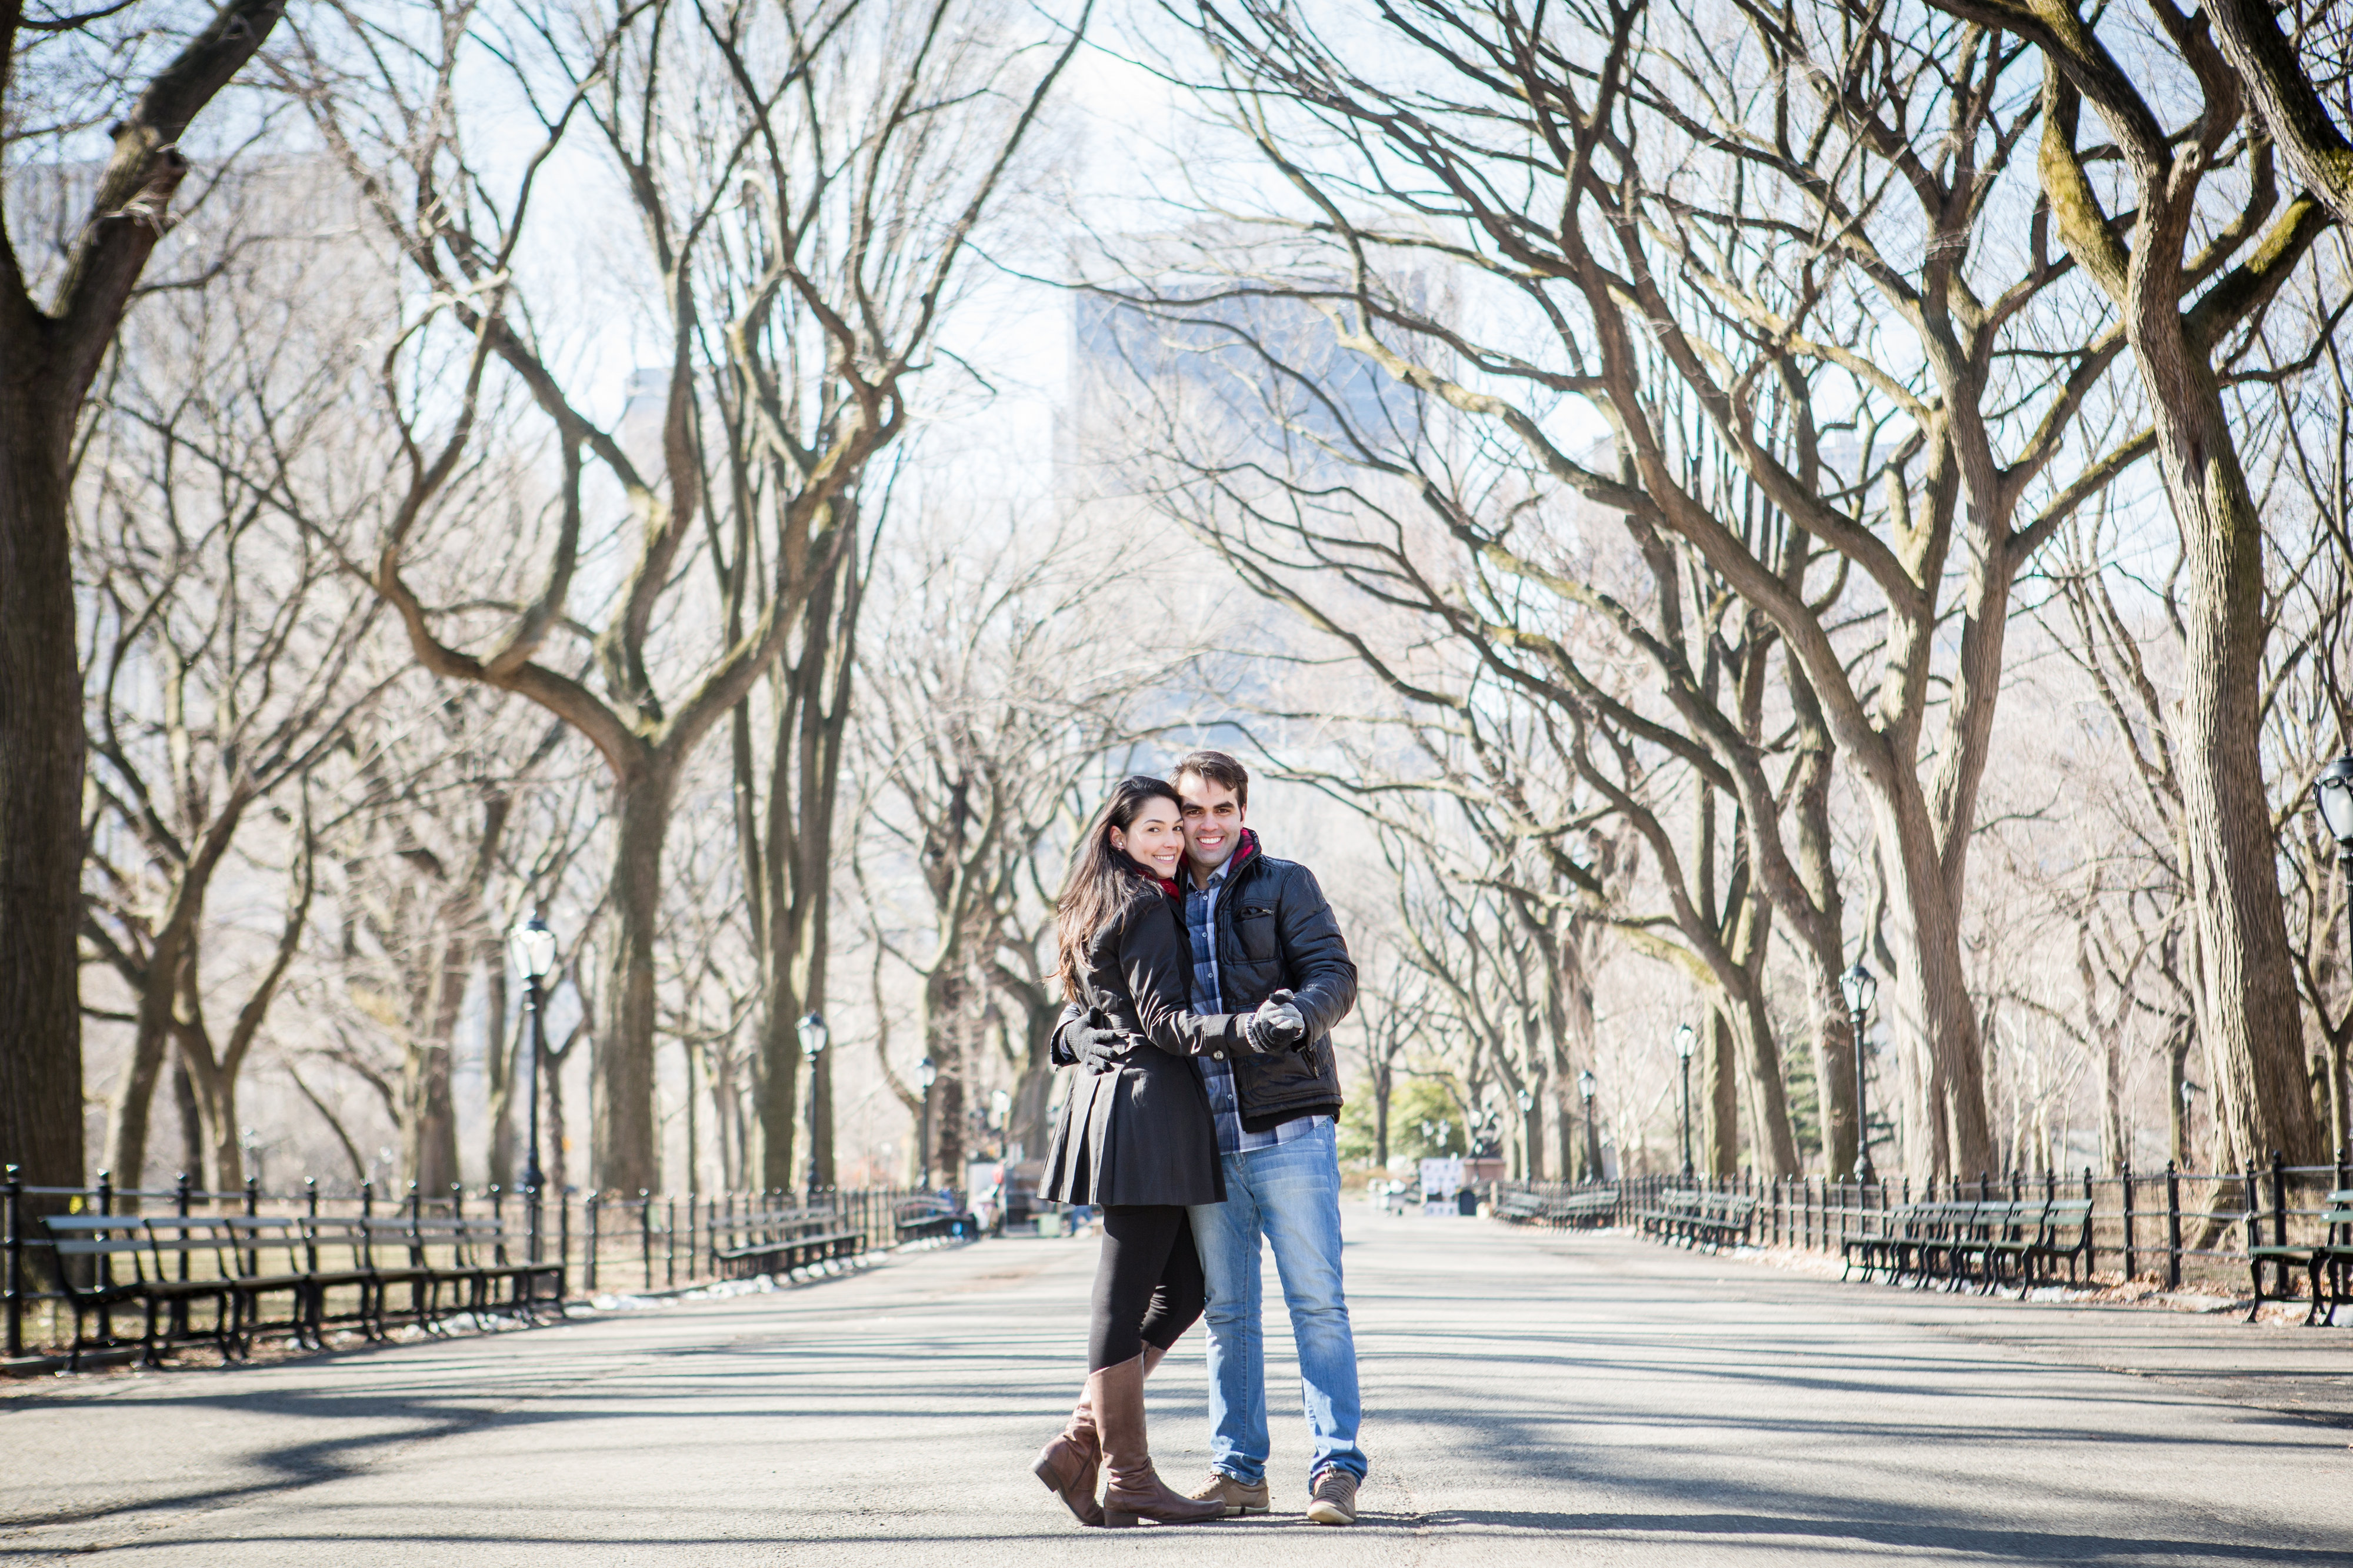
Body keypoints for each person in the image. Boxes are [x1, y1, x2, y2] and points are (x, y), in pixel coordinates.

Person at [1056, 750, 1367, 1527]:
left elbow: (1334, 970)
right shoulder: (1151, 892)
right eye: (1191, 812)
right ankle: (1239, 1469)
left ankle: (1335, 1467)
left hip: (1287, 1124)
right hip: (1203, 1141)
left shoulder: (1283, 883)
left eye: (1223, 809)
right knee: (1225, 1309)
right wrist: (1070, 1031)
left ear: (1241, 811)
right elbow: (1107, 984)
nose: (1206, 825)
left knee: (1317, 1301)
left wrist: (1302, 1014)